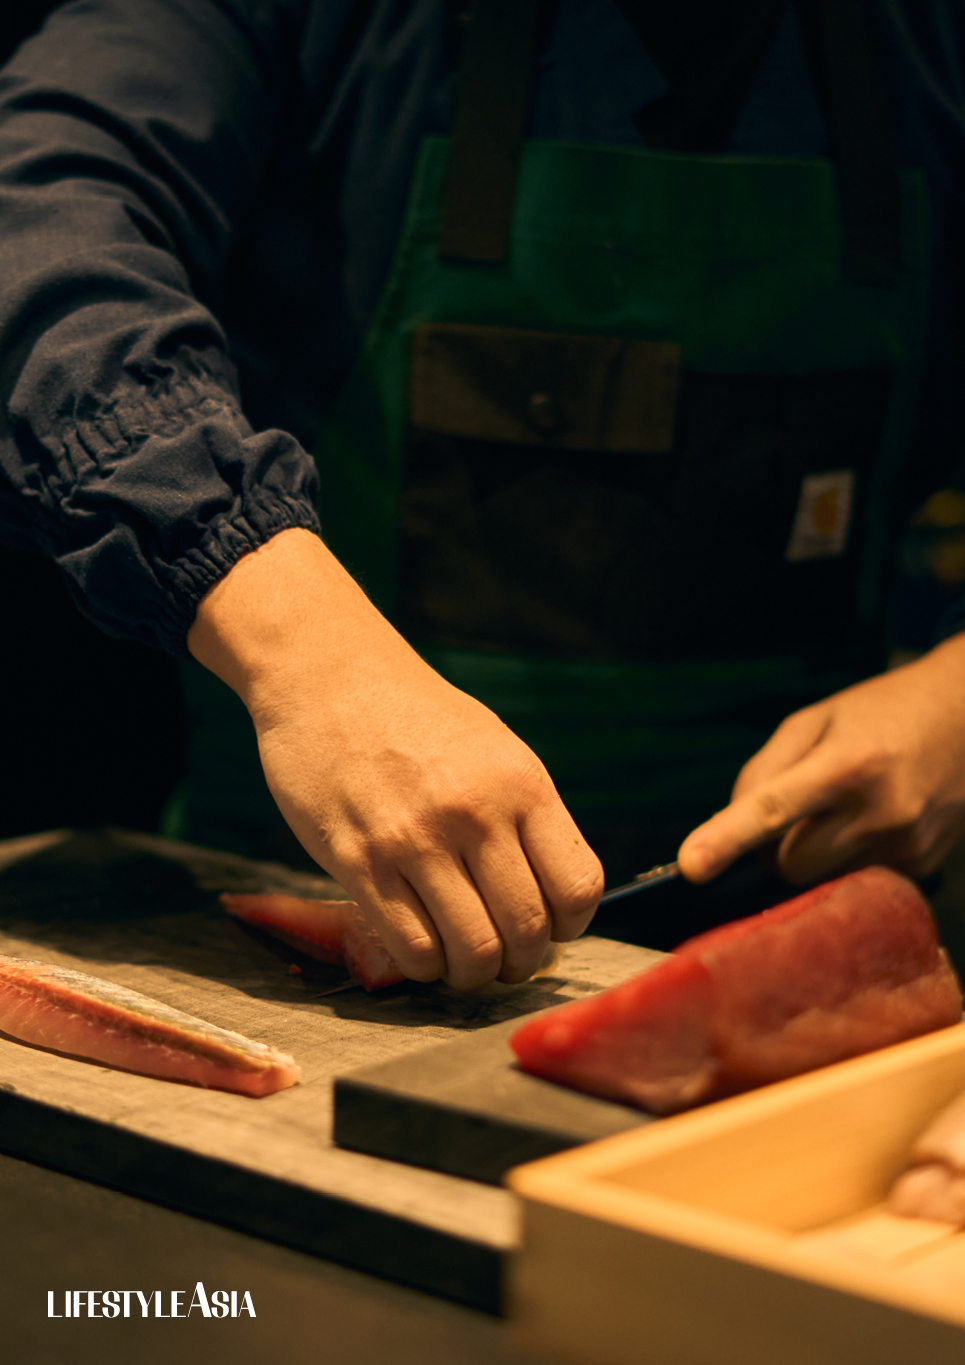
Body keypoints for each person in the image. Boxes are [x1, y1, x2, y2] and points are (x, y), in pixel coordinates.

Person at [2, 0, 965, 990]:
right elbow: (27, 220)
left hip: (794, 931)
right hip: (317, 919)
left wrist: (954, 697)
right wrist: (308, 651)